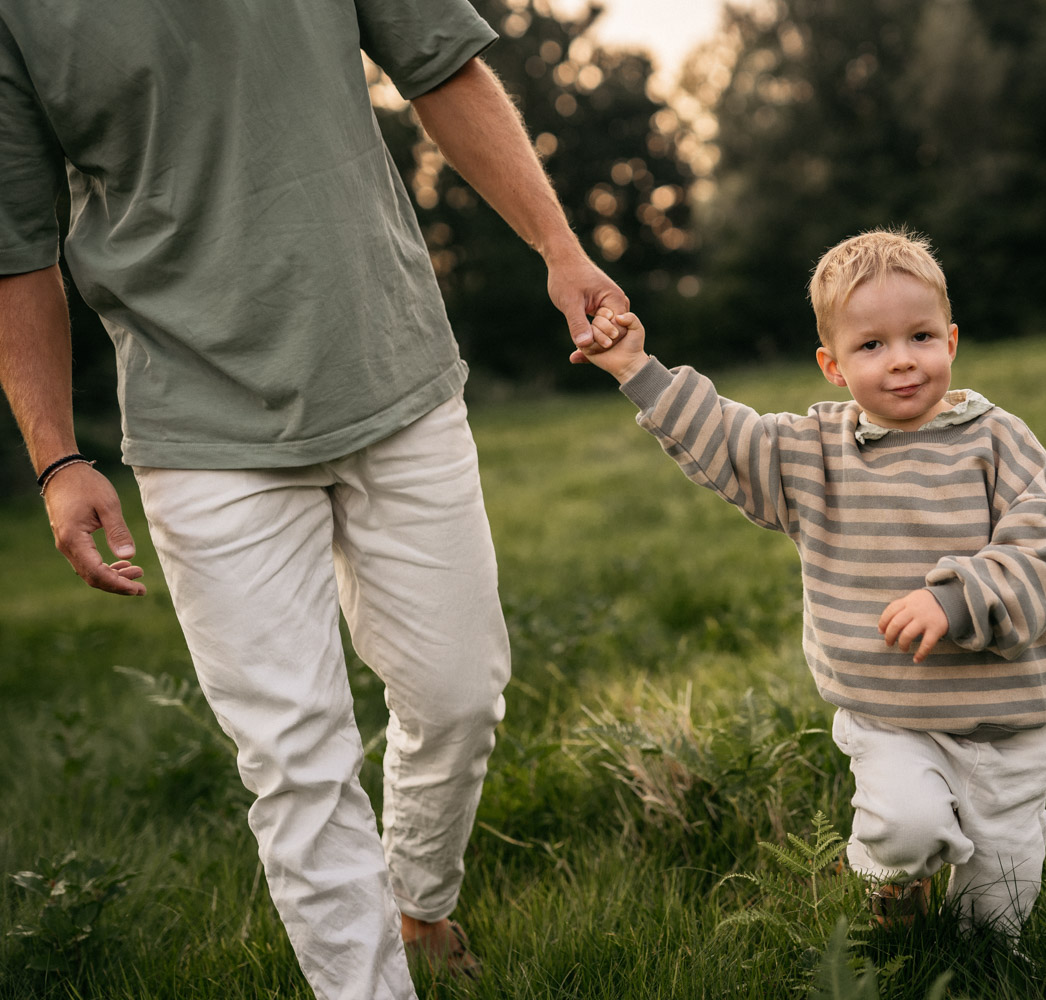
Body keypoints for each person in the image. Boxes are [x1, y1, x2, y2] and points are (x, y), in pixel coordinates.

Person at [0, 2, 623, 998]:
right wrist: (56, 456)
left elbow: (442, 64)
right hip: (195, 416)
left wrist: (559, 246)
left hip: (390, 364)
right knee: (295, 758)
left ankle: (420, 900)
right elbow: (17, 240)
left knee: (459, 694)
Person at [578, 229, 1046, 935]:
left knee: (994, 918)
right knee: (904, 831)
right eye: (871, 346)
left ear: (953, 341)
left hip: (1010, 726)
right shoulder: (814, 453)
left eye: (921, 337)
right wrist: (638, 368)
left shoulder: (999, 441)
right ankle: (894, 892)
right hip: (892, 715)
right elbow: (726, 436)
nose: (902, 361)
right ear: (833, 365)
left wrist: (959, 597)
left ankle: (971, 953)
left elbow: (1045, 548)